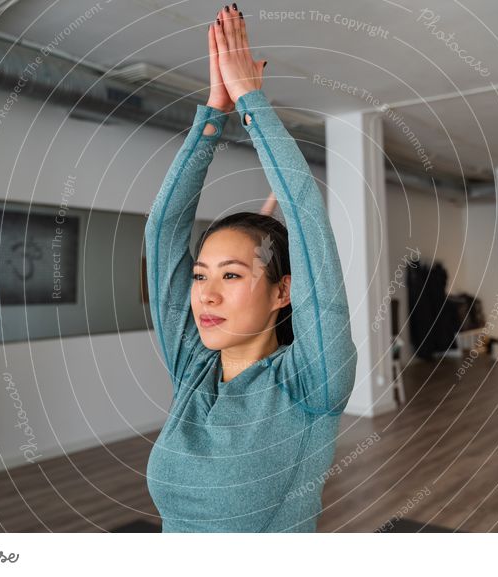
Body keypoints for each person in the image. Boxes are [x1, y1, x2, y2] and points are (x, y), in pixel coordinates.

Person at [144, 4, 357, 532]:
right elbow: (162, 234)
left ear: (284, 291)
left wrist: (252, 106)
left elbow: (309, 227)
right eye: (200, 275)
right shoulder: (193, 369)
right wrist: (212, 114)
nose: (206, 295)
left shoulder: (311, 384)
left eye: (232, 274)